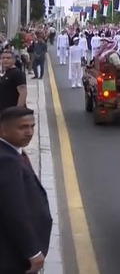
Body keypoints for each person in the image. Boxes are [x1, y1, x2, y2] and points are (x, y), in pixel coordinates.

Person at [0, 106, 52, 274]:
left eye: (32, 126)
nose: (30, 132)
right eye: (23, 127)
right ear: (3, 130)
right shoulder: (6, 161)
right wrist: (33, 252)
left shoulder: (13, 152)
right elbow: (14, 210)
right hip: (14, 255)